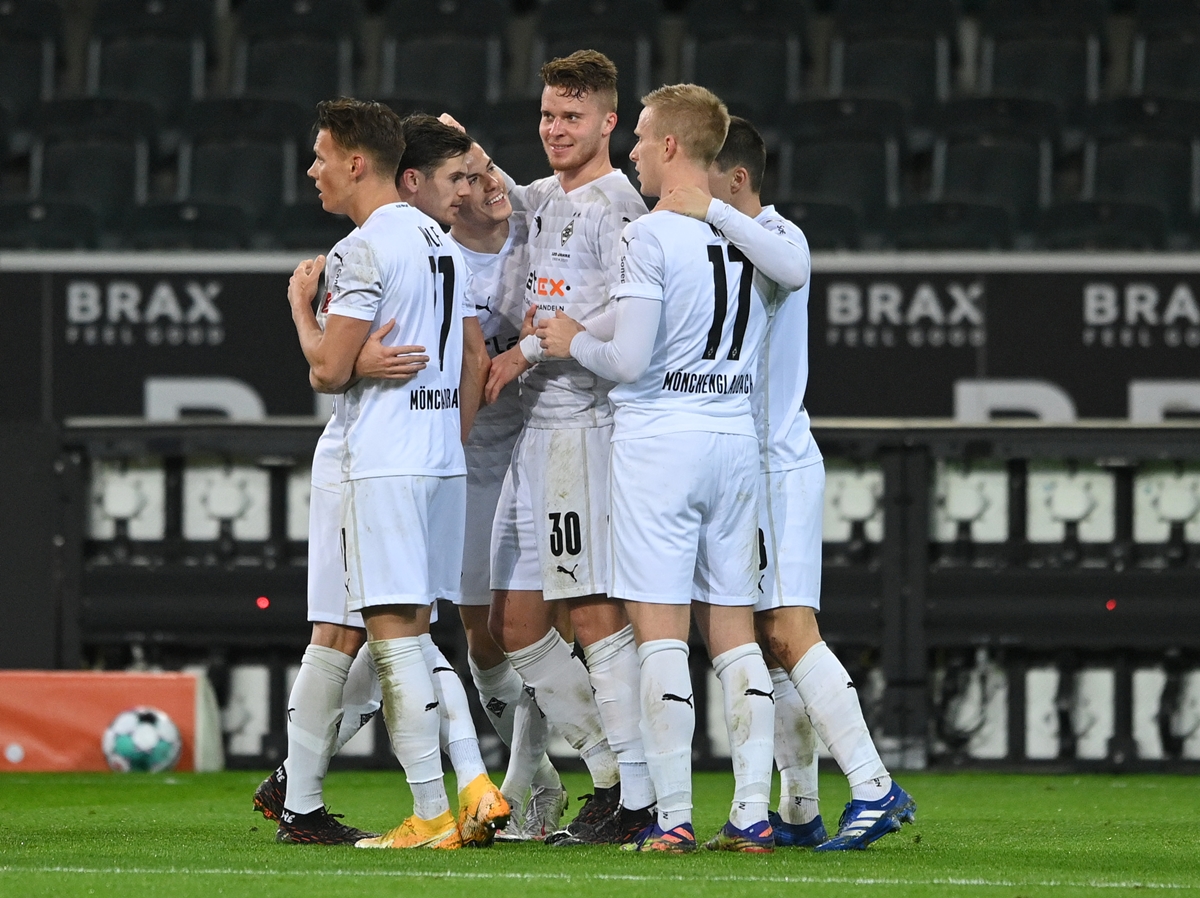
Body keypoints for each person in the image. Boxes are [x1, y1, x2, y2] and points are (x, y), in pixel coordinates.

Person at [656, 115, 917, 851]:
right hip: (749, 464)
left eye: (705, 174)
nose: (689, 188)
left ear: (734, 178)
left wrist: (703, 209)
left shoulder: (775, 234)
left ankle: (871, 783)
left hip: (774, 464)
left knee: (788, 630)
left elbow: (793, 263)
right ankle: (799, 805)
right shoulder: (725, 245)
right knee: (769, 643)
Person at [534, 84, 776, 854]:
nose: (633, 149)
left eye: (640, 137)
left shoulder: (653, 236)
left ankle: (671, 817)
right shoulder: (752, 234)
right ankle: (751, 815)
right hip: (735, 441)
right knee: (736, 635)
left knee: (663, 634)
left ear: (672, 148)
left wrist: (574, 343)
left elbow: (629, 359)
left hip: (660, 446)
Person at [285, 98, 497, 851]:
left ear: (354, 162)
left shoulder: (361, 252)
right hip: (438, 457)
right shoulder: (440, 241)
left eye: (319, 156)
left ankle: (435, 810)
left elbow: (327, 369)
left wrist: (303, 312)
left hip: (382, 462)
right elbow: (466, 357)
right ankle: (460, 789)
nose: (311, 170)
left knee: (395, 640)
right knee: (412, 632)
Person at [478, 49, 655, 845]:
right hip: (532, 434)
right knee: (514, 622)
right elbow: (501, 201)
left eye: (572, 116)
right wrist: (471, 157)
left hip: (583, 427)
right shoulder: (544, 196)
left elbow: (631, 316)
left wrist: (538, 347)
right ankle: (600, 774)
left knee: (590, 611)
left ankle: (628, 791)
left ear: (609, 123)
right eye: (548, 114)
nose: (555, 128)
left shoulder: (622, 209)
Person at [449, 140, 567, 839]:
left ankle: (526, 785)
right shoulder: (442, 259)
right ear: (442, 194)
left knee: (533, 627)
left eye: (487, 166)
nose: (489, 182)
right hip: (473, 456)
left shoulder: (540, 223)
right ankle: (542, 771)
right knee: (484, 637)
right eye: (466, 177)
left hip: (544, 444)